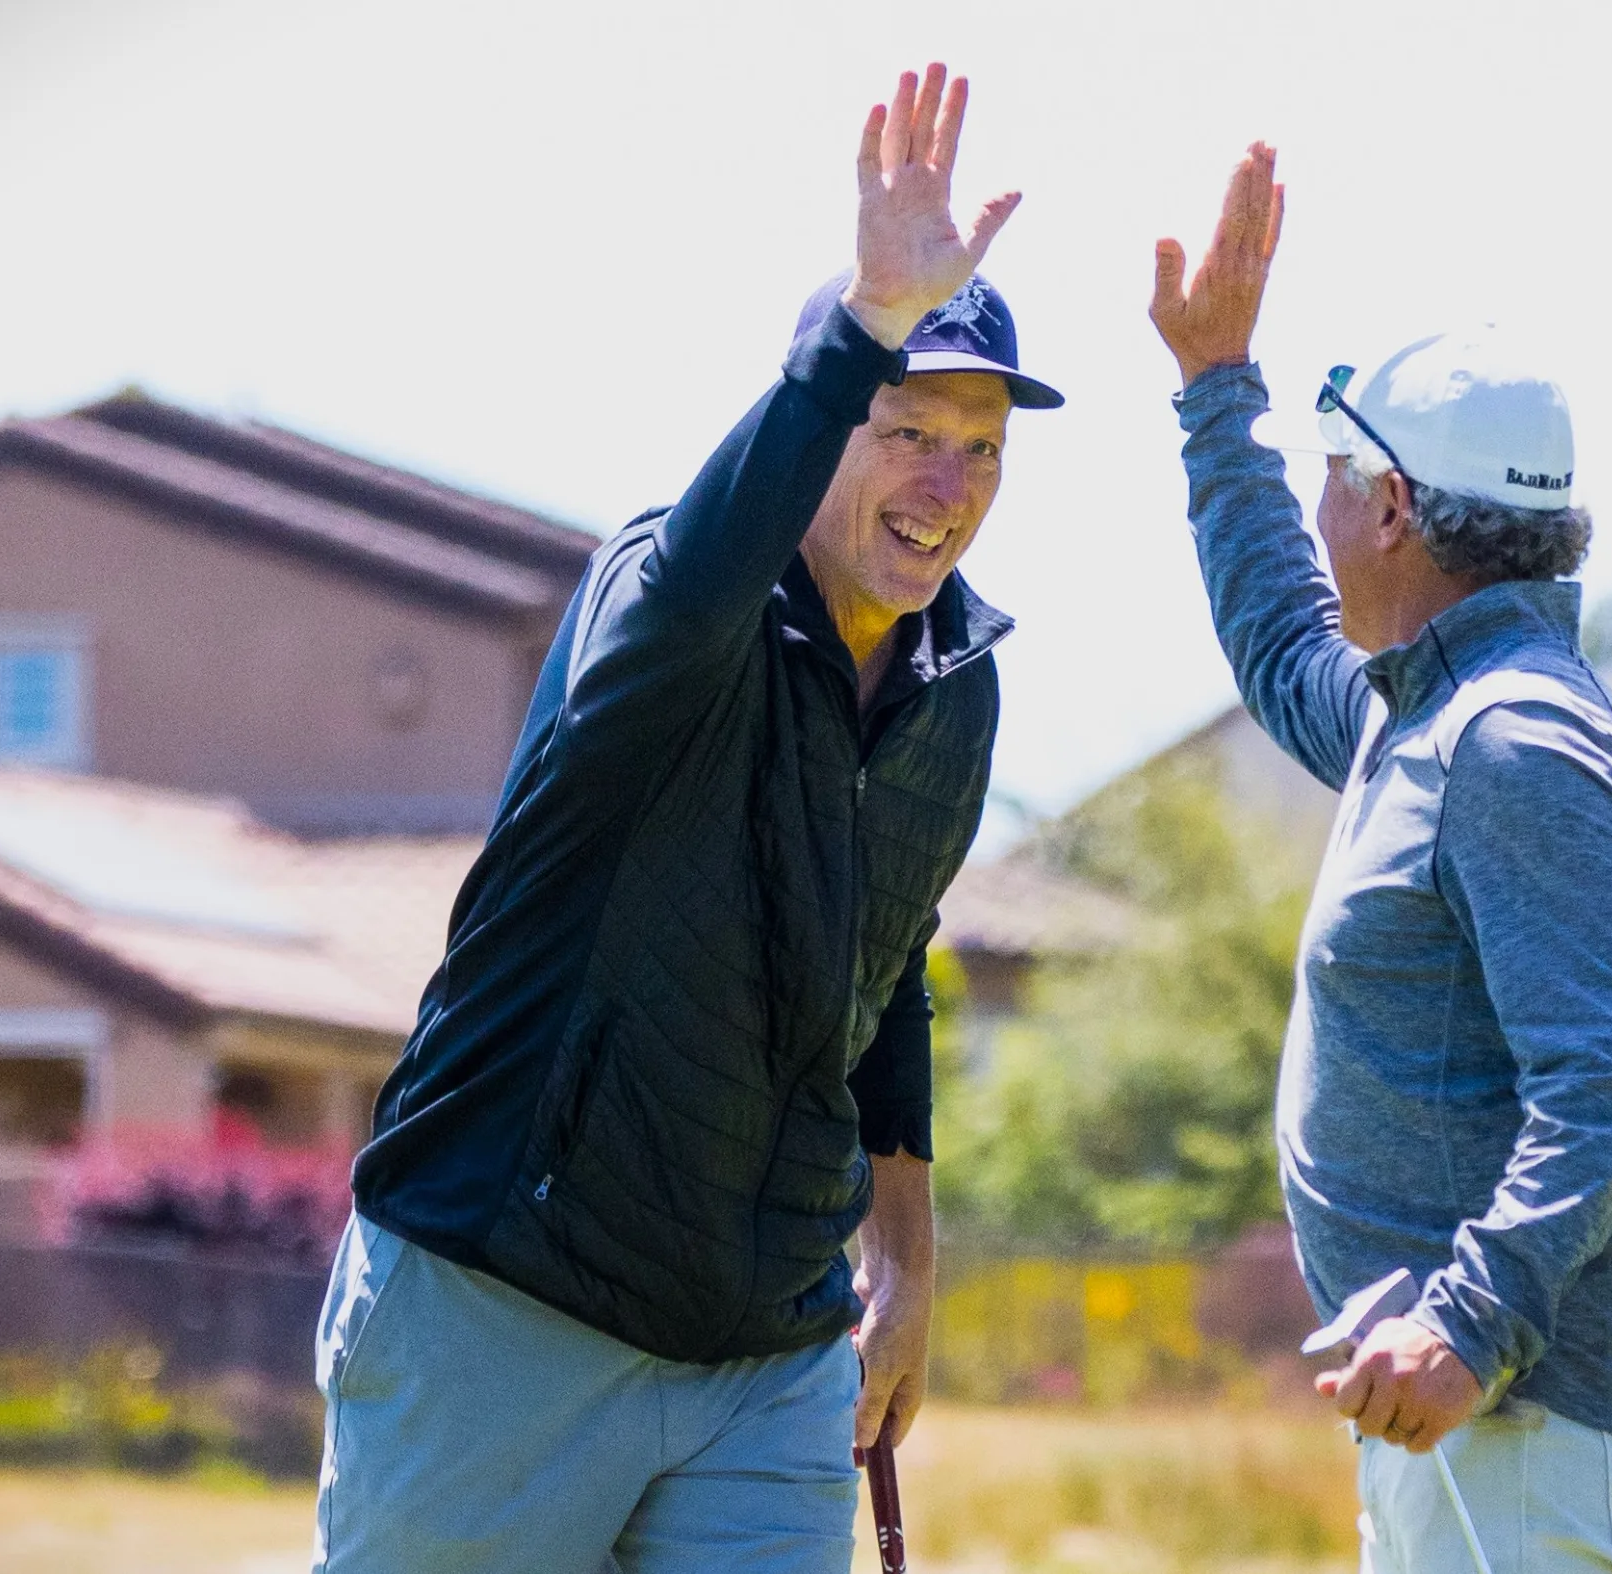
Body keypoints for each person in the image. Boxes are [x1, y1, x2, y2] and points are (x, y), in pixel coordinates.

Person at [312, 63, 1060, 1574]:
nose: (951, 484)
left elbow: (884, 966)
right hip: (502, 1300)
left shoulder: (956, 686)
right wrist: (864, 321)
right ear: (822, 420)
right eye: (910, 427)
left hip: (765, 1359)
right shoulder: (667, 599)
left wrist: (904, 1252)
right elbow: (711, 562)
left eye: (984, 446)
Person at [1148, 146, 1612, 1574]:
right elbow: (1288, 645)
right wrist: (1219, 392)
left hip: (1523, 1409)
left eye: (1338, 475)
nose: (1328, 505)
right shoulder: (1437, 715)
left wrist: (1468, 1320)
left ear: (1396, 508)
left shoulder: (1507, 741)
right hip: (1478, 1415)